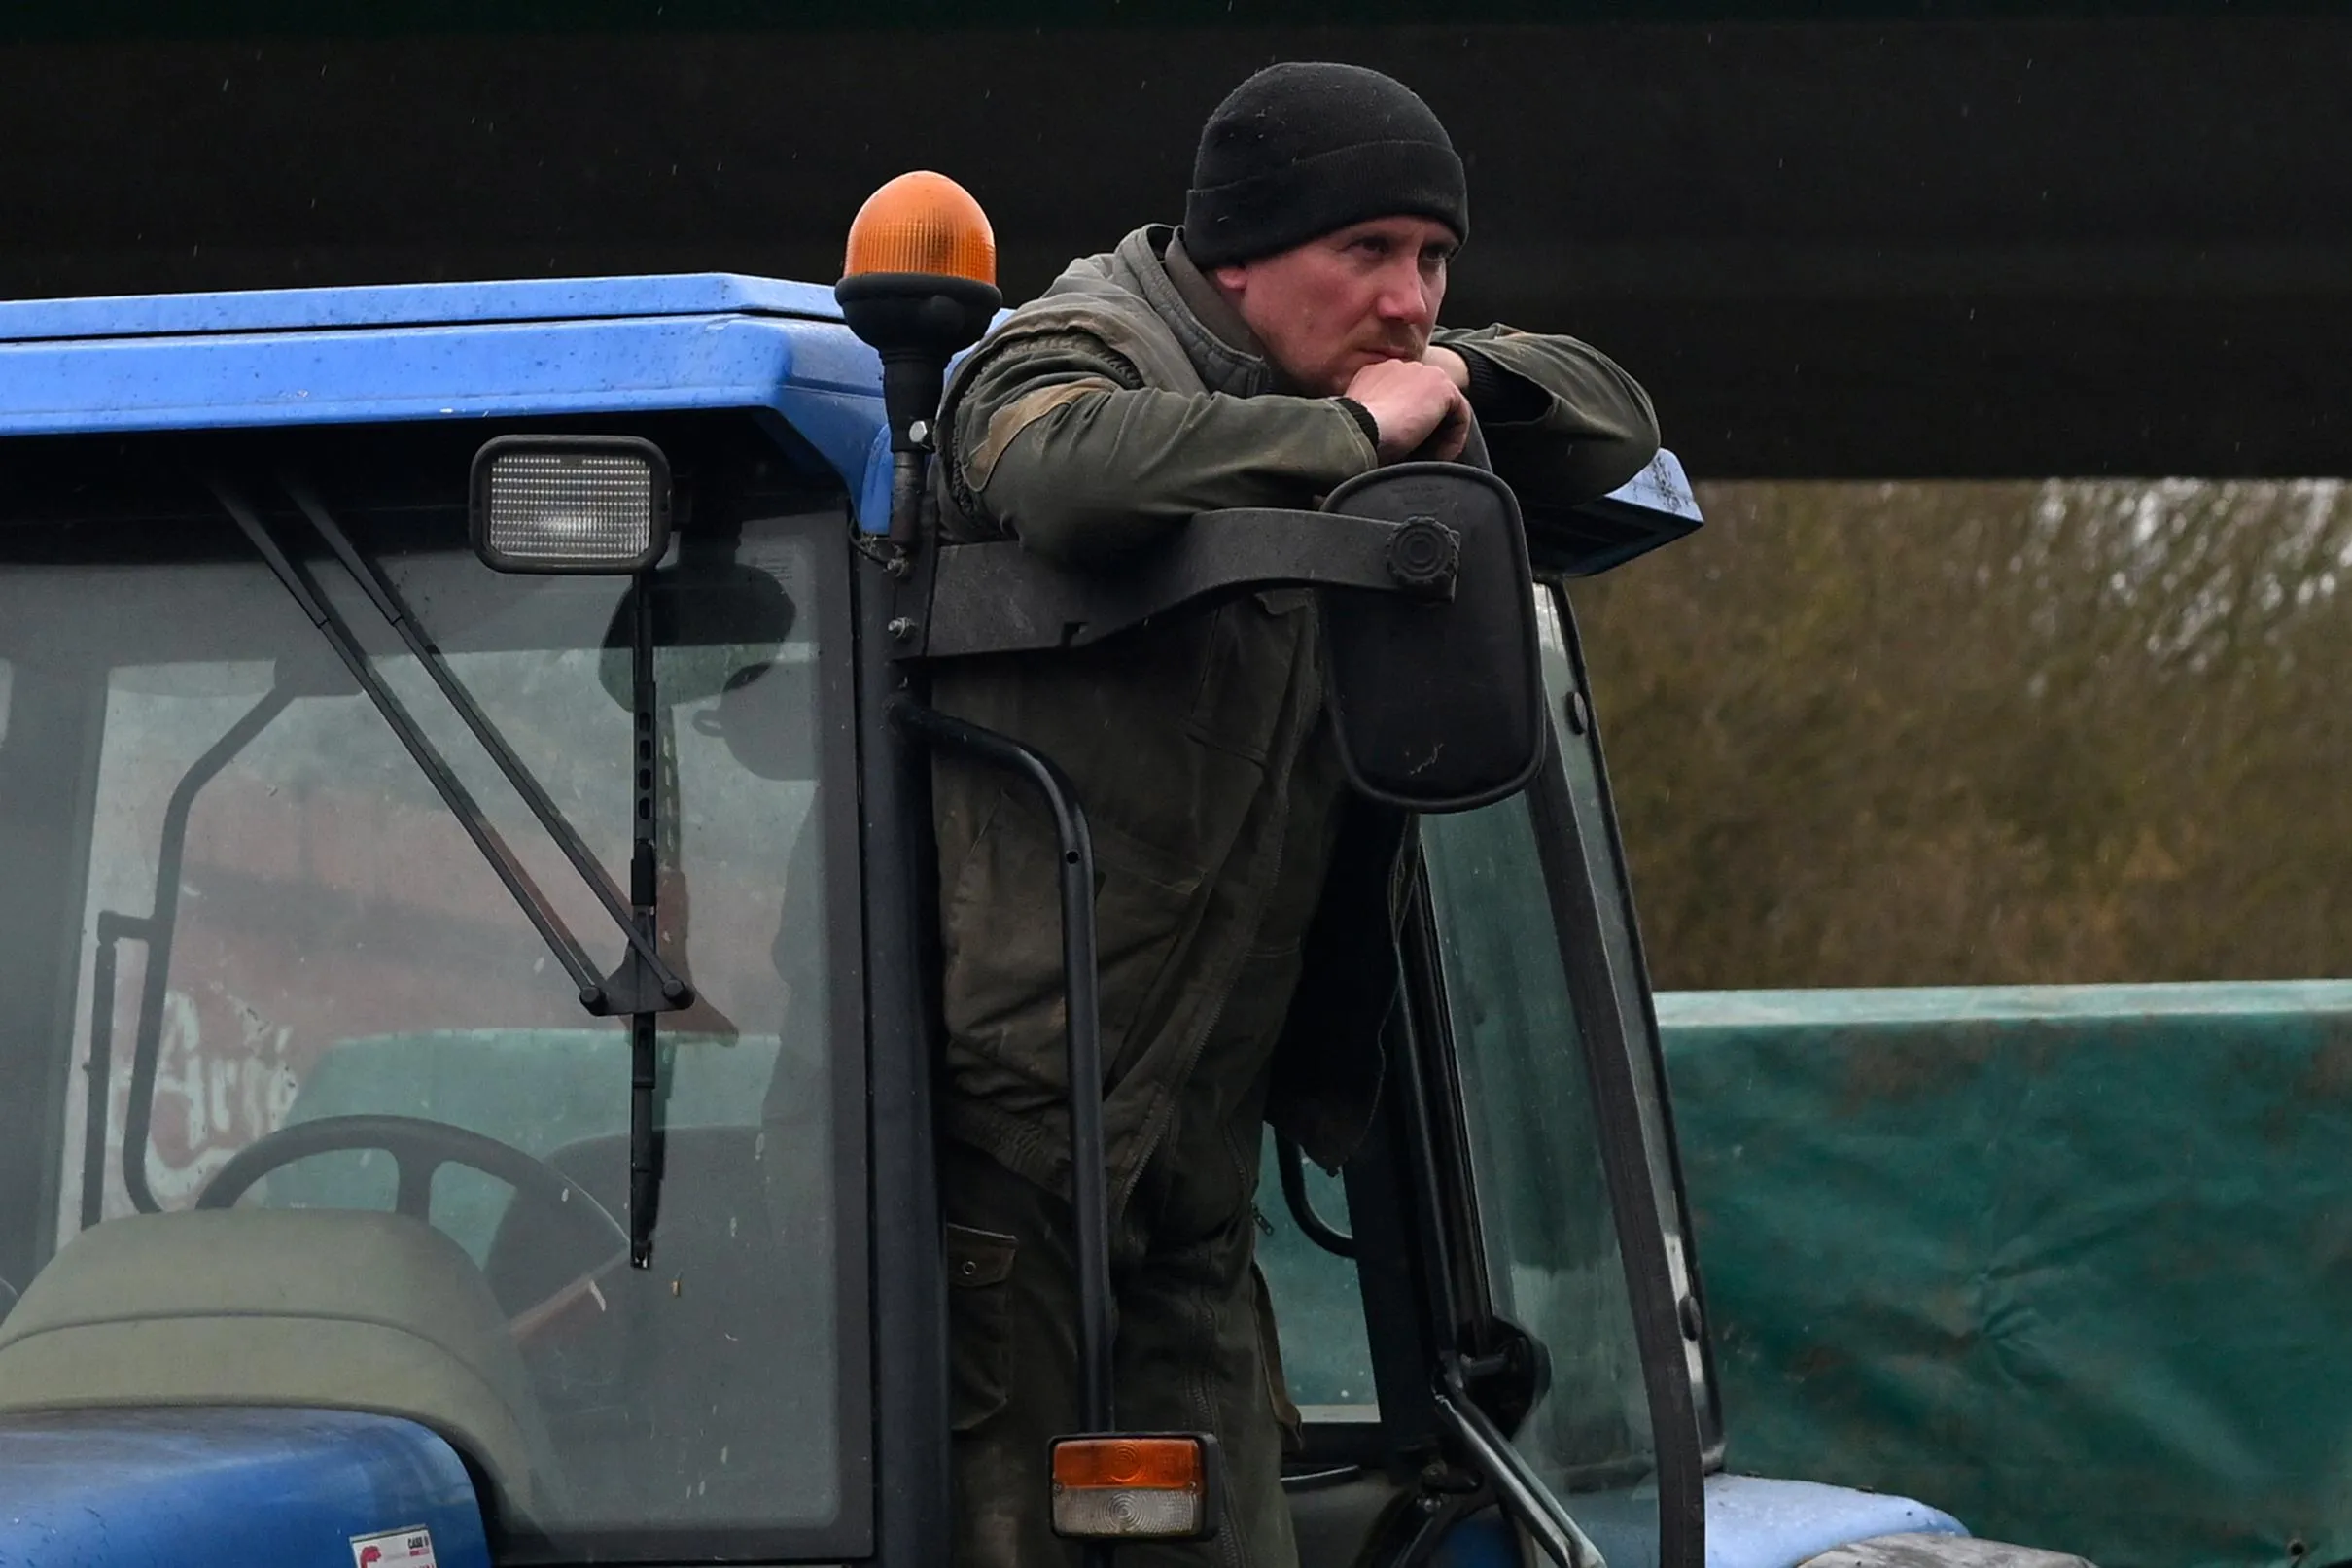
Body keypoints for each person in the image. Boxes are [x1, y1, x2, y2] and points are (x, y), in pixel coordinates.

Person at [925, 60, 1661, 1568]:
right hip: (997, 1173)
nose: (1408, 298)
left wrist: (1454, 388)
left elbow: (1615, 423)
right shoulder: (1080, 344)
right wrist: (1356, 443)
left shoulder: (1366, 377)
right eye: (1368, 253)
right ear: (1238, 254)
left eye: (1432, 257)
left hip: (1187, 1165)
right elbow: (1056, 475)